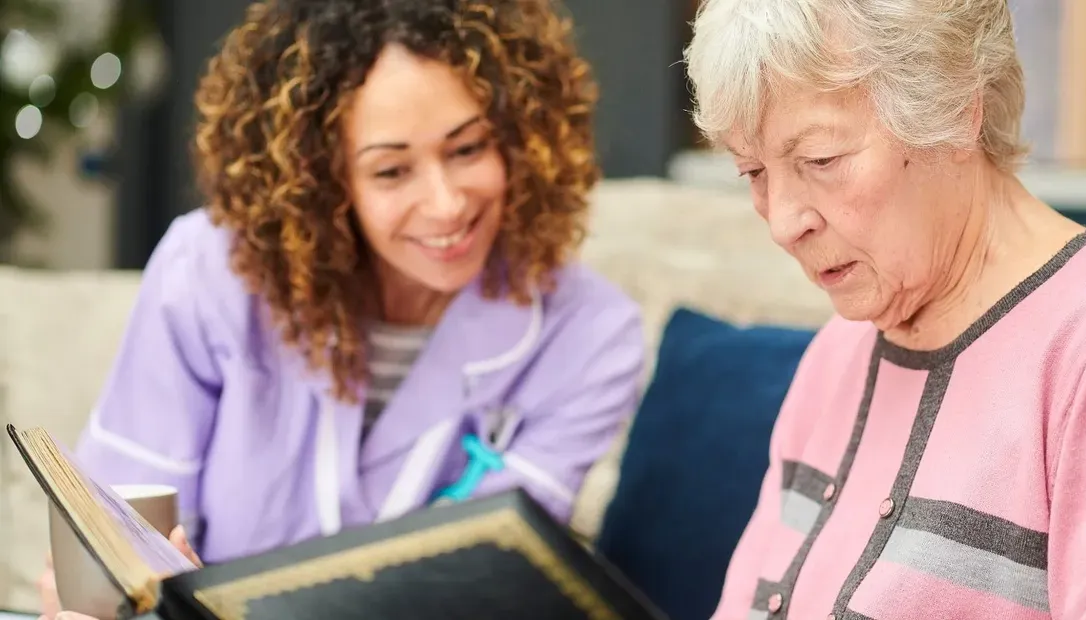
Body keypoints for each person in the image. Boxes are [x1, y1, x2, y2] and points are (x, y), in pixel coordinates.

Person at [39, 0, 644, 616]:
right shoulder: (206, 273)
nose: (445, 204)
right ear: (319, 179)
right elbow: (108, 548)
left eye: (468, 149)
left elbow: (483, 587)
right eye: (390, 170)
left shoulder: (593, 337)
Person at [684, 0, 1086, 618]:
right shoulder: (836, 357)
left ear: (954, 111)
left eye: (821, 161)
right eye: (753, 171)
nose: (783, 222)